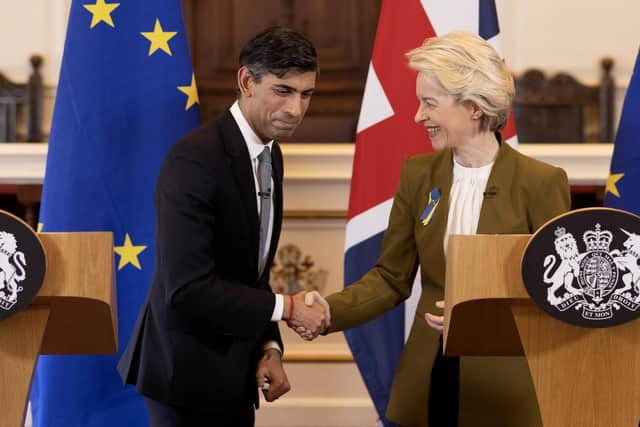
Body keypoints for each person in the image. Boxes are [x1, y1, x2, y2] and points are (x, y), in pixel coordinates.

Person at [296, 32, 571, 426]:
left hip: (506, 387)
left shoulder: (540, 182)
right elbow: (391, 278)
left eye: (429, 103)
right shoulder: (418, 174)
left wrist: (488, 320)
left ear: (473, 107)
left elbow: (556, 294)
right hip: (431, 377)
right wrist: (328, 311)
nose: (418, 116)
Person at [117, 26, 329, 427]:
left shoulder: (271, 155)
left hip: (234, 371)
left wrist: (269, 346)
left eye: (306, 94)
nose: (296, 109)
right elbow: (188, 288)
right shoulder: (194, 160)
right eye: (283, 91)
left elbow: (252, 272)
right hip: (184, 377)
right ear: (246, 81)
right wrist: (289, 309)